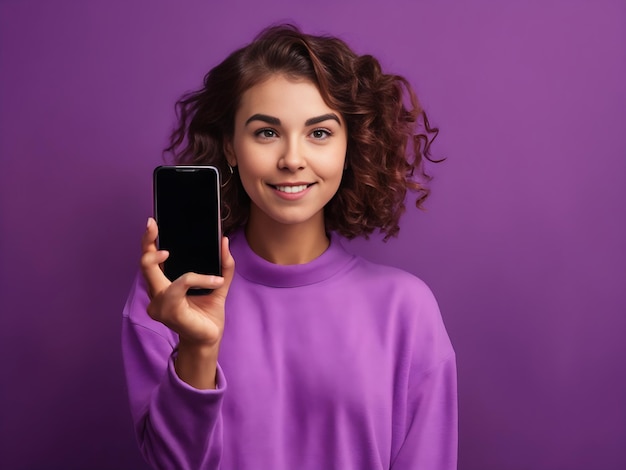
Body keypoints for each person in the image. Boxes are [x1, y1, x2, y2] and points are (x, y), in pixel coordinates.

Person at [122, 24, 457, 470]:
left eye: (319, 133)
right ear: (231, 146)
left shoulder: (406, 310)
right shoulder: (167, 294)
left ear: (348, 147)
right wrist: (198, 346)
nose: (292, 159)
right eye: (266, 133)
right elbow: (173, 463)